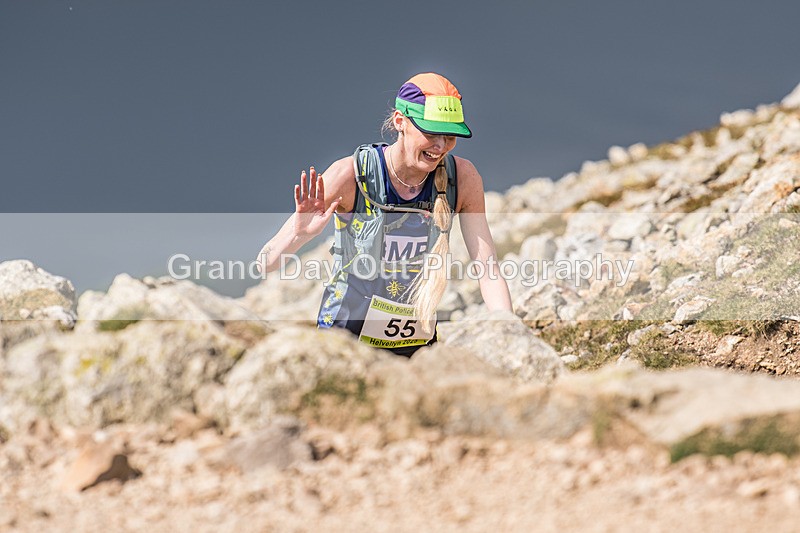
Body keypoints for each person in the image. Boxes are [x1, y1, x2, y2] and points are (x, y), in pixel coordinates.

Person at [257, 72, 512, 356]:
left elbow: (487, 267)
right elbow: (265, 264)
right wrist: (297, 233)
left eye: (450, 136)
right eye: (430, 133)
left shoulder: (462, 179)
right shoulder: (350, 175)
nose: (440, 146)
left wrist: (508, 331)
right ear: (400, 121)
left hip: (415, 342)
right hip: (345, 340)